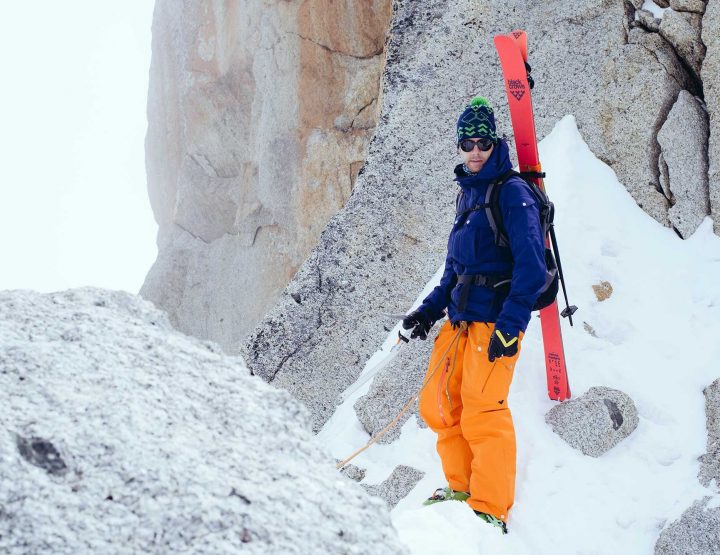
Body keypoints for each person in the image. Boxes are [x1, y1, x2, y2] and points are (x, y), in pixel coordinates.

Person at [402, 96, 546, 534]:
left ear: (494, 140)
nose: (476, 151)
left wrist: (512, 325)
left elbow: (532, 267)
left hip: (494, 323)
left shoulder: (512, 192)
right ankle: (461, 489)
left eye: (483, 141)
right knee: (440, 406)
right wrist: (426, 312)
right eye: (468, 143)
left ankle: (490, 506)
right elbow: (453, 270)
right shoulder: (467, 195)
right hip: (459, 322)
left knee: (484, 411)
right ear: (460, 147)